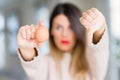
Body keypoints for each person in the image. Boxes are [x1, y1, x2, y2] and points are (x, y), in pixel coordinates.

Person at [17, 3, 109, 80]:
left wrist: (100, 29)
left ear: (78, 30)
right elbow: (34, 67)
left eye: (71, 27)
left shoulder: (89, 61)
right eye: (59, 27)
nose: (64, 34)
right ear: (51, 31)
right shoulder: (46, 64)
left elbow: (99, 54)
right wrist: (27, 48)